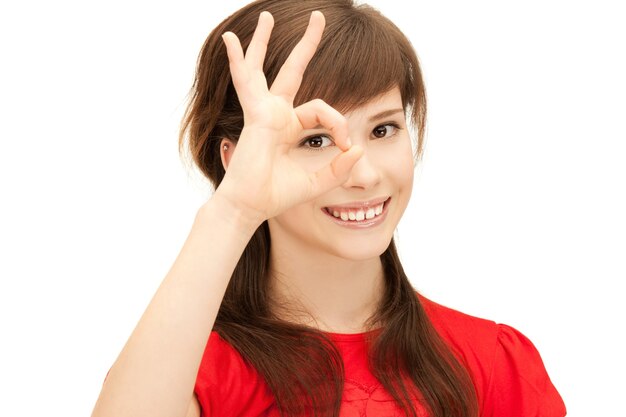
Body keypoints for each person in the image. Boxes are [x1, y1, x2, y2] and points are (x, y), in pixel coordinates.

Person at [91, 1, 566, 416]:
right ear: (235, 160)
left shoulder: (493, 363)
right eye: (315, 139)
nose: (362, 174)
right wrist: (232, 209)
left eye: (383, 130)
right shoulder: (195, 374)